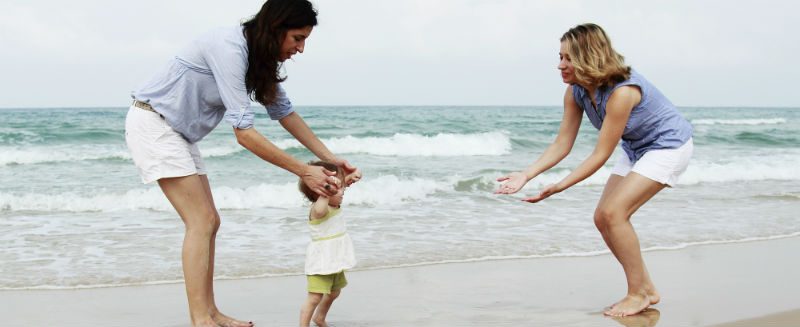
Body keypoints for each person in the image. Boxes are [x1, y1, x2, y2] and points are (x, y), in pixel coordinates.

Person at [124, 1, 360, 326]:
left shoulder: (258, 59)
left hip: (178, 133)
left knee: (211, 222)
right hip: (154, 123)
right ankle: (200, 319)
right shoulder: (230, 49)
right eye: (297, 38)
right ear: (275, 28)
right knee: (201, 221)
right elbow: (244, 135)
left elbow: (284, 113)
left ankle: (211, 313)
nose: (301, 48)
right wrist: (304, 170)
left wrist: (332, 160)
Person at [496, 23, 693, 317]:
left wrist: (560, 185)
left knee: (614, 214)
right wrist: (527, 174)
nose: (560, 65)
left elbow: (600, 154)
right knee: (603, 217)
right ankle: (646, 288)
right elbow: (562, 143)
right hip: (635, 148)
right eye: (560, 56)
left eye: (567, 58)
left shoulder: (623, 92)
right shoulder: (575, 92)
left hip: (668, 146)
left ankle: (637, 293)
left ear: (589, 56)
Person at [297, 161, 358, 327]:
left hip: (336, 258)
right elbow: (319, 210)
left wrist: (350, 178)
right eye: (338, 186)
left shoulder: (334, 202)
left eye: (342, 185)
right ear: (321, 191)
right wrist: (326, 192)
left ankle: (320, 318)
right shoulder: (319, 208)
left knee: (334, 292)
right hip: (322, 261)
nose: (343, 190)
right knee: (314, 297)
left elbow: (340, 188)